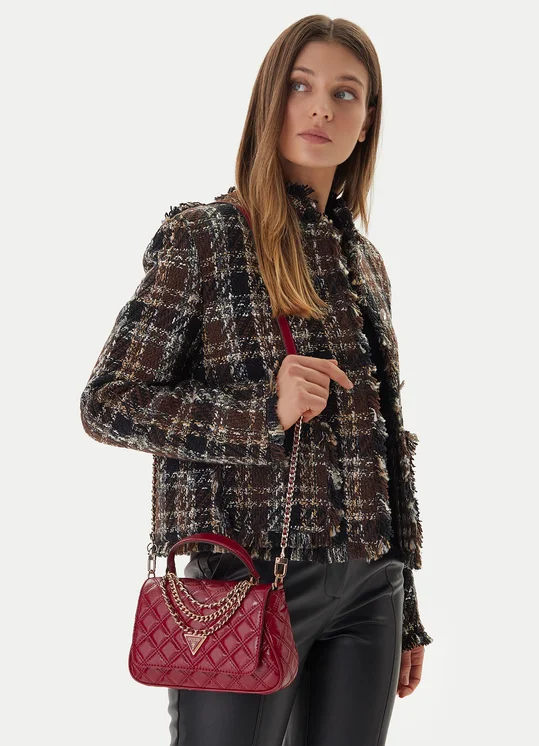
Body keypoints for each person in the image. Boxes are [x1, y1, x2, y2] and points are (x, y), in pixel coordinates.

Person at [79, 14, 433, 746]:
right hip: (241, 577)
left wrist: (407, 610)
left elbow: (384, 442)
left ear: (367, 120)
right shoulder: (206, 237)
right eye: (301, 86)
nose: (321, 109)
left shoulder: (364, 261)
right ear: (270, 99)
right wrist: (263, 412)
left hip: (371, 586)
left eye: (345, 93)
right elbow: (109, 402)